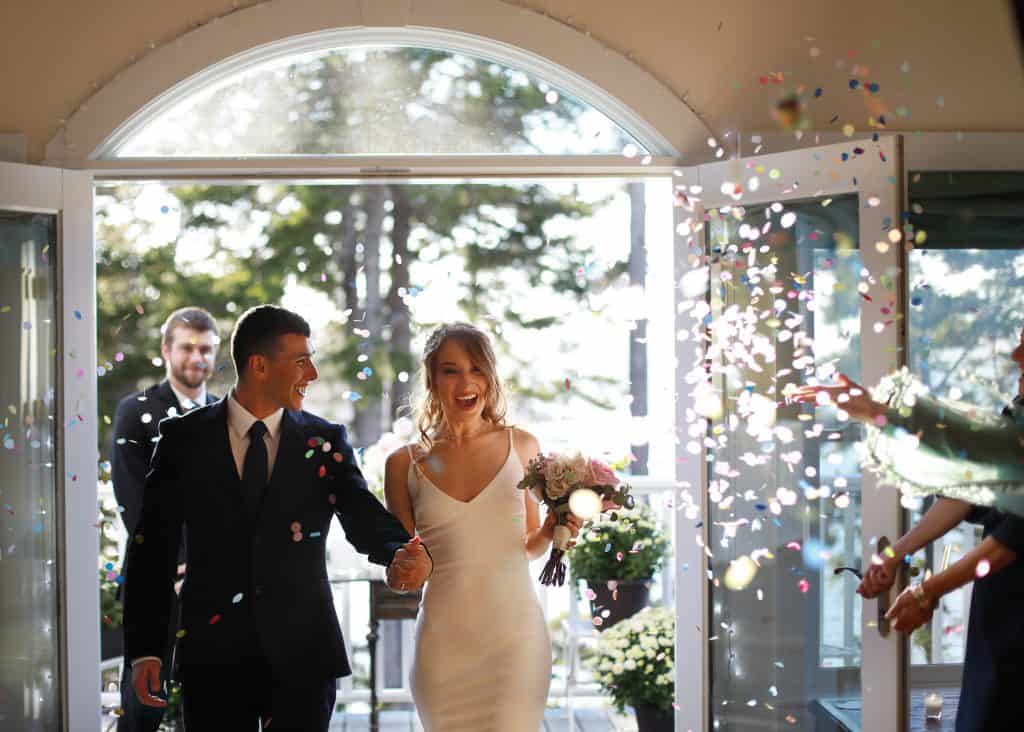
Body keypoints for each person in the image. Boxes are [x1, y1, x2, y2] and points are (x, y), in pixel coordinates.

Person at [123, 305, 432, 731]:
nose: (314, 374)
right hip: (212, 659)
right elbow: (151, 549)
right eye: (302, 361)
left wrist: (399, 551)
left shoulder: (326, 440)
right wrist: (146, 650)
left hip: (304, 656)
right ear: (260, 365)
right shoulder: (183, 440)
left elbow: (363, 518)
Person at [790, 323, 1024, 732]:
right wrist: (896, 553)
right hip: (1003, 617)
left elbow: (1008, 544)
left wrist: (926, 592)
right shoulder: (1019, 416)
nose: (1016, 354)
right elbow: (969, 483)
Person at [383, 322, 583, 732]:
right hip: (443, 650)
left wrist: (551, 529)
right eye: (451, 370)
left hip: (515, 644)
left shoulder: (522, 446)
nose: (466, 382)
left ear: (490, 378)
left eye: (477, 369)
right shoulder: (403, 464)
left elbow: (526, 546)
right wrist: (399, 573)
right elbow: (398, 567)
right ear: (432, 378)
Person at [111, 306, 220, 732]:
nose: (198, 358)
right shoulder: (133, 411)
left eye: (207, 349)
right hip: (154, 580)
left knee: (213, 703)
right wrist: (179, 564)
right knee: (143, 707)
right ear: (166, 351)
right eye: (188, 347)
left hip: (216, 583)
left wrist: (206, 565)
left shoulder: (226, 415)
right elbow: (133, 500)